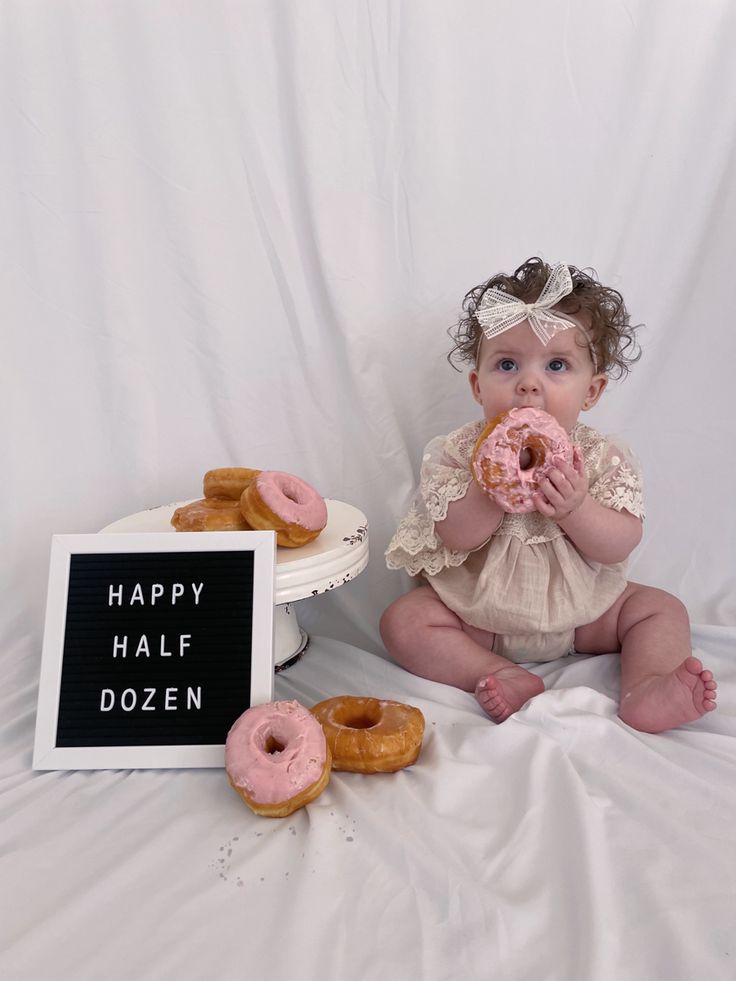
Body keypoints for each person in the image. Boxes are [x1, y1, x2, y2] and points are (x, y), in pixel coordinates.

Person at [380, 257, 717, 733]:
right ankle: (498, 674)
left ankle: (648, 687)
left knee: (662, 610)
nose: (528, 383)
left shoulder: (602, 456)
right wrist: (488, 488)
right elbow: (454, 537)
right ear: (478, 386)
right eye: (507, 364)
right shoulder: (455, 452)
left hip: (583, 613)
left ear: (592, 391)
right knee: (404, 621)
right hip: (480, 616)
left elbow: (620, 542)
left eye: (557, 365)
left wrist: (577, 509)